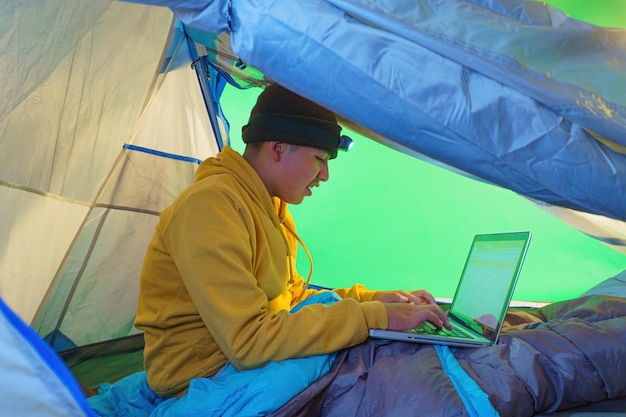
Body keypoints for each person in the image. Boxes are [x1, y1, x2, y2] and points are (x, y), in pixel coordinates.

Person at [134, 83, 451, 399]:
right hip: (202, 378)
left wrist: (373, 299)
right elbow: (249, 341)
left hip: (238, 362)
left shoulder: (270, 205)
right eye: (319, 158)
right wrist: (373, 318)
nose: (324, 174)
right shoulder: (210, 206)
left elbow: (291, 297)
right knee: (385, 381)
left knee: (389, 358)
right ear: (278, 148)